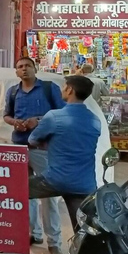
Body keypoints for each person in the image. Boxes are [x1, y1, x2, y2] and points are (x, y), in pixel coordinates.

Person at [3, 56, 66, 254]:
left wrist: (38, 121)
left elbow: (62, 114)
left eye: (27, 66)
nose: (24, 69)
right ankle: (34, 233)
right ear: (16, 71)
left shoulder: (49, 88)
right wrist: (15, 122)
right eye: (20, 67)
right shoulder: (13, 92)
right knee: (25, 194)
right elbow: (6, 115)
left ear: (35, 68)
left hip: (43, 149)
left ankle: (54, 242)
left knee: (49, 197)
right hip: (19, 148)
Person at [28, 75, 101, 234]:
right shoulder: (95, 120)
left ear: (70, 90)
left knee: (13, 191)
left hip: (55, 180)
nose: (62, 90)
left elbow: (32, 140)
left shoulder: (54, 116)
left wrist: (49, 142)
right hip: (85, 184)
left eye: (64, 87)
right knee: (82, 231)